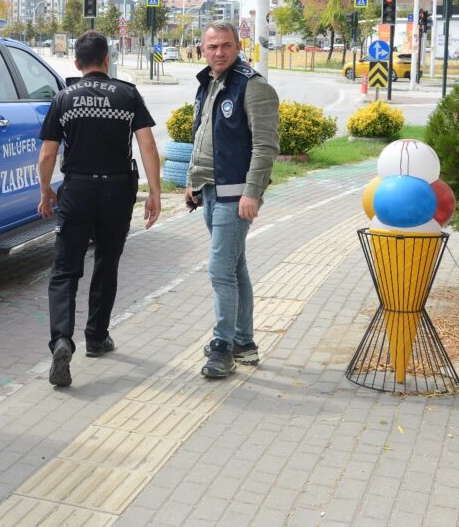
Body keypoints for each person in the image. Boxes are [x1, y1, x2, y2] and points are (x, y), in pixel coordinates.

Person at [37, 30, 162, 388]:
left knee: (64, 270)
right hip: (117, 190)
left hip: (76, 190)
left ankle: (62, 340)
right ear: (107, 60)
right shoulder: (128, 94)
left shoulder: (63, 98)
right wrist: (154, 193)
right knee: (106, 263)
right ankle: (96, 337)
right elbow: (148, 145)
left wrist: (46, 191)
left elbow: (47, 154)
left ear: (77, 63)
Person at [185, 20, 280, 379]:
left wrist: (252, 192)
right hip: (210, 191)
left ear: (238, 47)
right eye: (212, 47)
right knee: (235, 268)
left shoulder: (252, 87)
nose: (219, 52)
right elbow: (204, 138)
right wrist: (192, 183)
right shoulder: (208, 83)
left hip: (235, 196)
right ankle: (244, 344)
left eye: (226, 45)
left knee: (220, 271)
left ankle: (222, 346)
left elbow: (265, 145)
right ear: (203, 49)